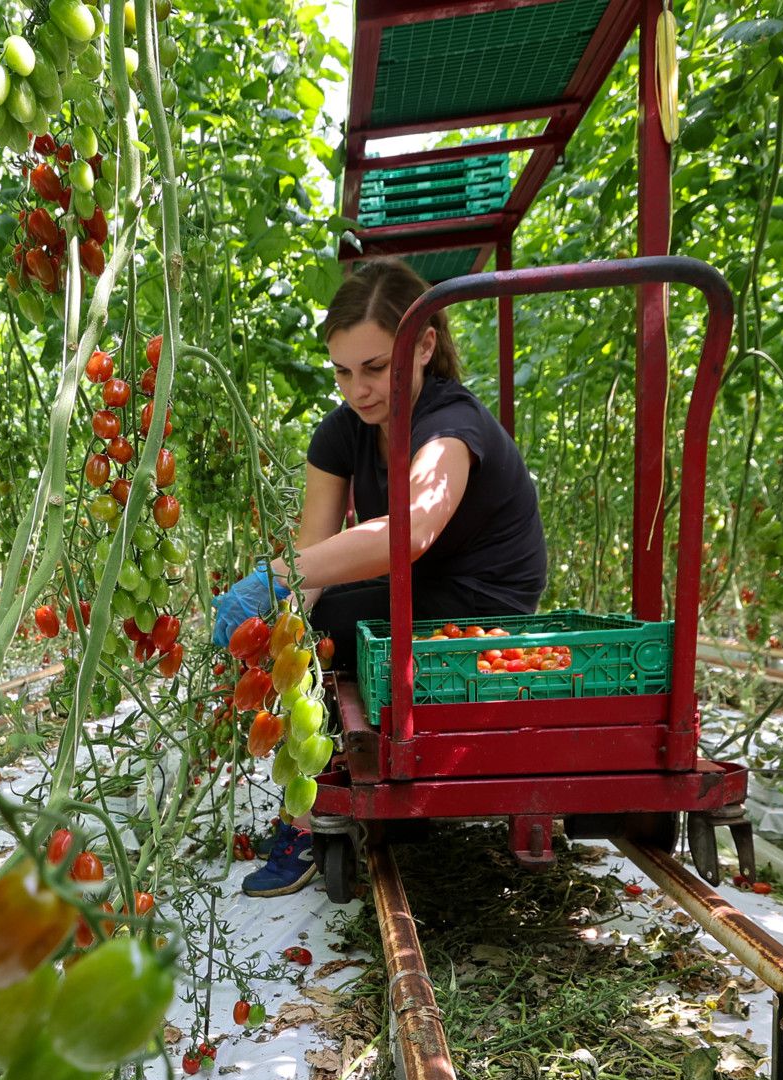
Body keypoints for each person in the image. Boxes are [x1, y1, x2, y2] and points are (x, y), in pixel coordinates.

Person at [221, 258, 550, 896]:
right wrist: (281, 617)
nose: (358, 389)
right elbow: (314, 550)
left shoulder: (451, 425)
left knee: (322, 624)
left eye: (375, 368)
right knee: (294, 630)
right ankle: (307, 800)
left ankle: (310, 816)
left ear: (424, 345)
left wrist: (279, 576)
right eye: (343, 371)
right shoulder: (344, 432)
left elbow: (414, 530)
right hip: (413, 591)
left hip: (482, 602)